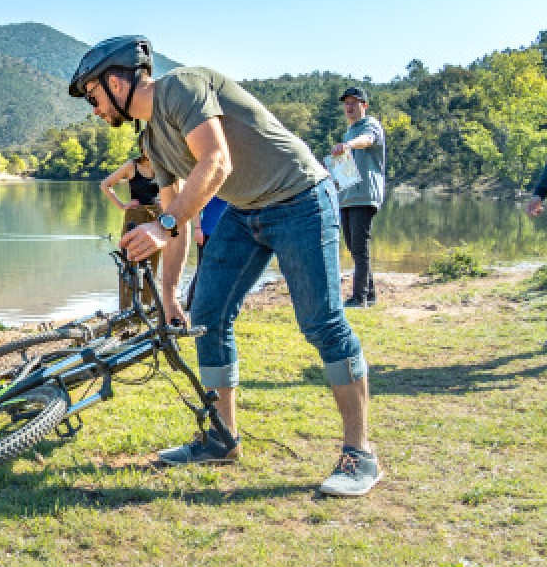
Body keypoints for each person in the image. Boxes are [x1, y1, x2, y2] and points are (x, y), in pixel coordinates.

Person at [70, 36, 379, 497]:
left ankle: (360, 454)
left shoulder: (182, 88)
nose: (95, 108)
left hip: (300, 198)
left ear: (116, 82)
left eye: (94, 96)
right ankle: (222, 438)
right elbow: (176, 216)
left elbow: (216, 161)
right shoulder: (151, 139)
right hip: (245, 208)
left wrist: (165, 224)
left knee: (322, 321)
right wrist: (170, 292)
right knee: (208, 316)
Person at [333, 87, 386, 308]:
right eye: (346, 103)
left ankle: (359, 298)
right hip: (347, 197)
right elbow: (344, 171)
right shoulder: (348, 132)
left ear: (364, 106)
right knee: (354, 248)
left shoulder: (369, 125)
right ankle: (370, 294)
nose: (349, 107)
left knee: (360, 247)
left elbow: (367, 140)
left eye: (354, 103)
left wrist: (348, 145)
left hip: (364, 196)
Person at [101, 152, 161, 307]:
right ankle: (126, 308)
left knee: (152, 264)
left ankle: (146, 306)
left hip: (157, 218)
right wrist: (122, 206)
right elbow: (105, 185)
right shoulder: (131, 165)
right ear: (143, 147)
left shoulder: (162, 162)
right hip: (135, 216)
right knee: (130, 261)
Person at [183, 195, 228, 310]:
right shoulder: (211, 180)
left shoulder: (235, 183)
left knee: (222, 272)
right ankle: (190, 308)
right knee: (202, 271)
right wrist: (197, 228)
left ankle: (213, 307)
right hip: (207, 232)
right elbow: (195, 204)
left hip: (227, 232)